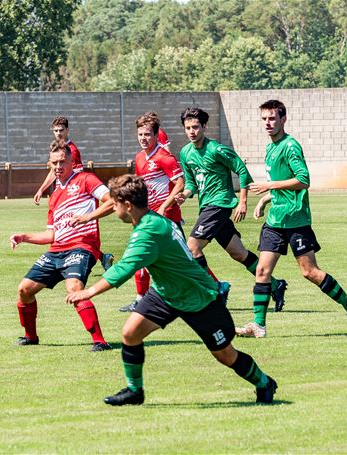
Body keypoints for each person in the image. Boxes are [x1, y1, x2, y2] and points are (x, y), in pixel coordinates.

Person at [66, 174, 277, 406]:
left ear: (127, 206)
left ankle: (264, 382)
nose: (112, 208)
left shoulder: (149, 232)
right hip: (166, 292)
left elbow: (124, 269)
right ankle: (135, 390)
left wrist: (89, 292)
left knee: (225, 355)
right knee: (130, 333)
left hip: (199, 297)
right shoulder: (150, 220)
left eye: (114, 204)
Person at [236, 100, 347, 338]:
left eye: (272, 118)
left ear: (283, 119)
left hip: (296, 221)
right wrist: (266, 200)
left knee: (310, 272)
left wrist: (269, 186)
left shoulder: (290, 146)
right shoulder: (270, 148)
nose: (268, 123)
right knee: (262, 270)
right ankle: (258, 325)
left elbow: (303, 180)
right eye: (264, 119)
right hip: (275, 221)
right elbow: (281, 185)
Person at [175, 107, 288, 312]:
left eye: (195, 127)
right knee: (238, 253)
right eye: (188, 128)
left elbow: (241, 169)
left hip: (219, 204)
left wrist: (242, 201)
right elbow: (191, 183)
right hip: (207, 206)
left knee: (192, 247)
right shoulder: (185, 153)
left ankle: (215, 289)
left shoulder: (216, 149)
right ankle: (275, 284)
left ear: (204, 127)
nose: (192, 131)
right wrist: (185, 195)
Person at [10, 140, 112, 352]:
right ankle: (31, 337)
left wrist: (87, 217)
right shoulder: (55, 196)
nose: (58, 167)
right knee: (24, 290)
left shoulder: (86, 179)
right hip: (57, 250)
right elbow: (51, 235)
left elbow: (112, 201)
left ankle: (99, 341)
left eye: (62, 162)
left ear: (72, 161)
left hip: (82, 247)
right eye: (54, 163)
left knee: (74, 289)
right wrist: (24, 237)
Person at [119, 112, 222, 313]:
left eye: (147, 134)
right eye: (140, 134)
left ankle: (217, 288)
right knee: (144, 256)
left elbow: (180, 183)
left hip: (167, 219)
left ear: (157, 135)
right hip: (150, 218)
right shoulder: (140, 157)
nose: (143, 138)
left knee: (184, 260)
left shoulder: (164, 157)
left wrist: (164, 206)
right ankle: (141, 298)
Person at [33, 116, 115, 270]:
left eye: (61, 130)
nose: (58, 133)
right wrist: (42, 189)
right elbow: (53, 172)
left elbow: (75, 177)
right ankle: (103, 257)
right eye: (55, 131)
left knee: (73, 233)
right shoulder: (57, 150)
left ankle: (96, 257)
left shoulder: (72, 151)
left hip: (75, 195)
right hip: (63, 194)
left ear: (67, 130)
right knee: (66, 230)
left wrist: (66, 193)